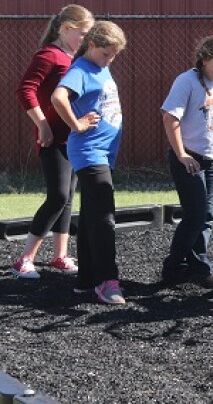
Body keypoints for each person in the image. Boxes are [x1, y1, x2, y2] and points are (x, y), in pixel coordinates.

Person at [11, 4, 95, 279]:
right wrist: (43, 126)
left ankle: (60, 256)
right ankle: (24, 259)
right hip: (53, 139)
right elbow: (25, 90)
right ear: (66, 28)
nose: (86, 38)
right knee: (58, 196)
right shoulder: (49, 55)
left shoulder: (75, 58)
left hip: (73, 137)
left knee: (68, 198)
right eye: (83, 33)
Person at [51, 21, 127, 305]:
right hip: (89, 152)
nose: (110, 59)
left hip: (103, 152)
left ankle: (85, 282)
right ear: (92, 45)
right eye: (106, 53)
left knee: (92, 215)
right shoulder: (80, 69)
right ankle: (107, 280)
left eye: (114, 55)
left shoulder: (99, 66)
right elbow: (58, 97)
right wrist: (77, 124)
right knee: (105, 214)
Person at [160, 36, 213, 289]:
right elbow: (170, 118)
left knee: (206, 215)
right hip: (189, 158)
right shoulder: (186, 82)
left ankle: (187, 267)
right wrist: (182, 154)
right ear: (204, 60)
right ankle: (183, 267)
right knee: (196, 214)